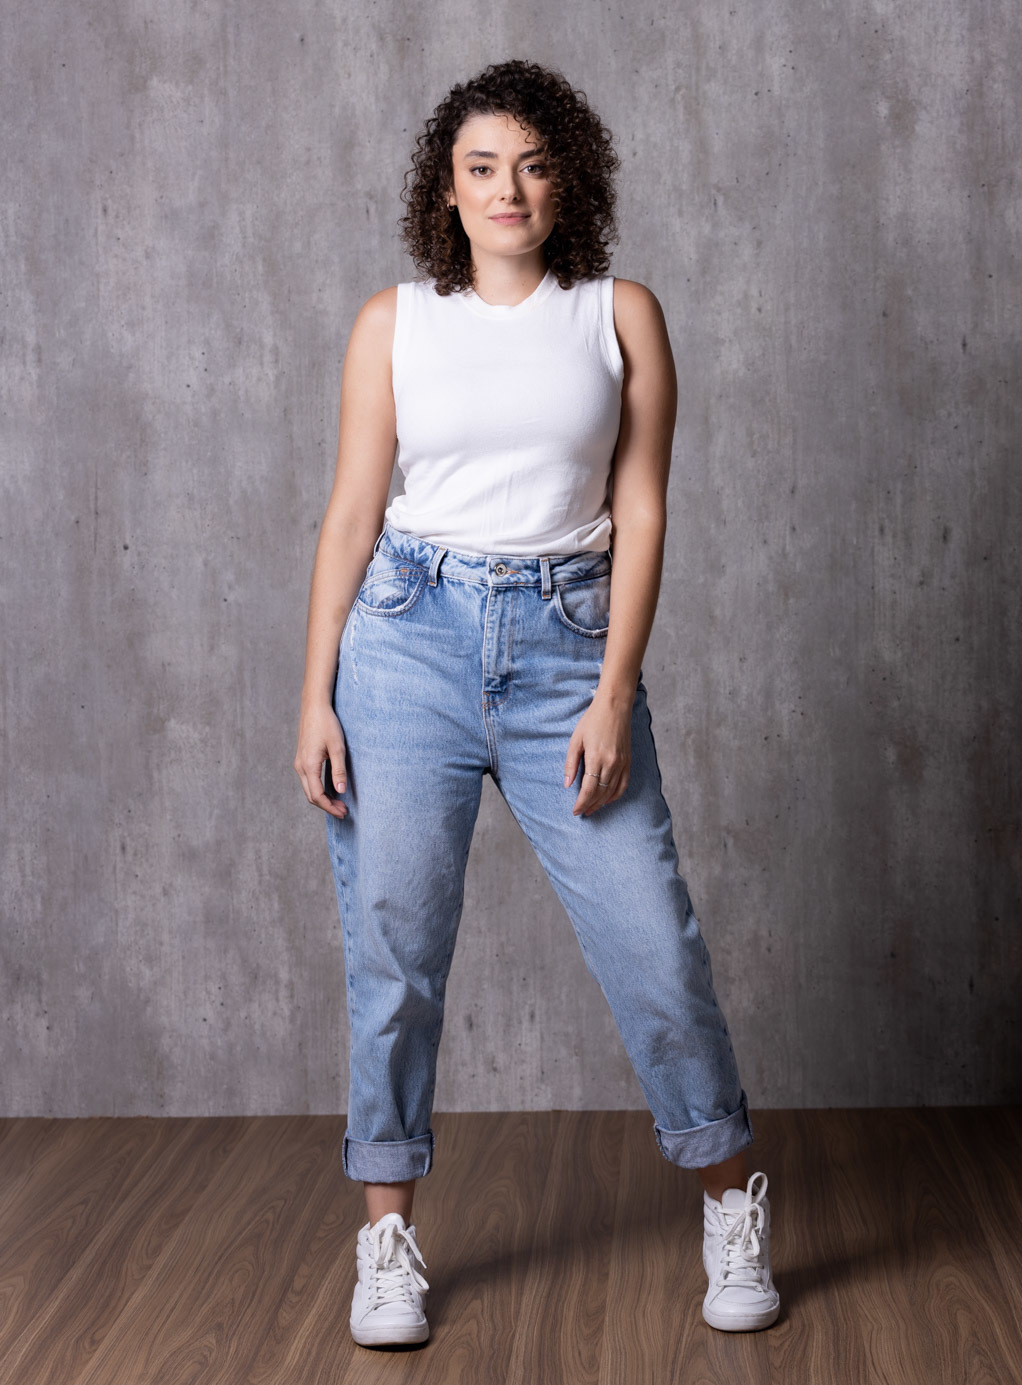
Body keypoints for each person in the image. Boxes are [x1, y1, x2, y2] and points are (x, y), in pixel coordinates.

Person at [294, 58, 780, 1349]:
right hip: (406, 645)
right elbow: (351, 513)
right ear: (446, 192)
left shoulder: (620, 315)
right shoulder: (395, 323)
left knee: (655, 948)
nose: (508, 189)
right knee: (395, 956)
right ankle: (386, 1243)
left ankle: (731, 1205)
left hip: (569, 646)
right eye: (481, 167)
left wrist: (614, 691)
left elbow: (643, 511)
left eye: (533, 164)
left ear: (570, 182)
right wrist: (315, 695)